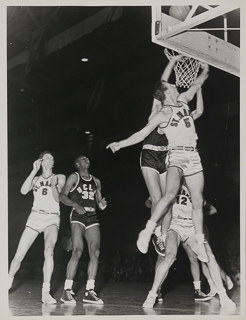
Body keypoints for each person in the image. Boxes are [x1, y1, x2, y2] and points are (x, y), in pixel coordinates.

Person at [107, 56, 209, 262]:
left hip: (191, 154)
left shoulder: (182, 102)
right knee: (166, 195)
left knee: (197, 201)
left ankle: (199, 243)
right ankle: (149, 232)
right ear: (164, 93)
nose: (174, 84)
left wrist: (205, 70)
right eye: (171, 85)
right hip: (168, 153)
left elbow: (197, 85)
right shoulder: (160, 112)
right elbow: (141, 134)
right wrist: (121, 143)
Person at [142, 180, 236, 309]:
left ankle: (224, 297)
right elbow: (153, 201)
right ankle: (152, 294)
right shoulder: (169, 184)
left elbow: (205, 206)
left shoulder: (194, 185)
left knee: (209, 257)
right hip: (173, 225)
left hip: (191, 225)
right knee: (169, 257)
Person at [8, 151, 66, 304]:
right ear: (41, 161)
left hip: (52, 216)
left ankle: (45, 293)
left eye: (52, 157)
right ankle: (6, 285)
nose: (51, 159)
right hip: (35, 216)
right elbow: (23, 191)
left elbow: (57, 198)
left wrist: (54, 186)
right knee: (19, 255)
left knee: (49, 250)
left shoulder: (60, 177)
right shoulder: (35, 178)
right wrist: (34, 170)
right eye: (47, 157)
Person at [59, 155, 107, 305]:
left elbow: (99, 203)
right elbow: (62, 196)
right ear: (77, 164)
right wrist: (75, 204)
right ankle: (67, 291)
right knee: (77, 251)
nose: (87, 159)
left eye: (87, 158)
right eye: (83, 159)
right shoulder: (74, 177)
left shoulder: (97, 181)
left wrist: (102, 205)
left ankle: (90, 292)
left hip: (92, 215)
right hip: (78, 215)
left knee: (96, 252)